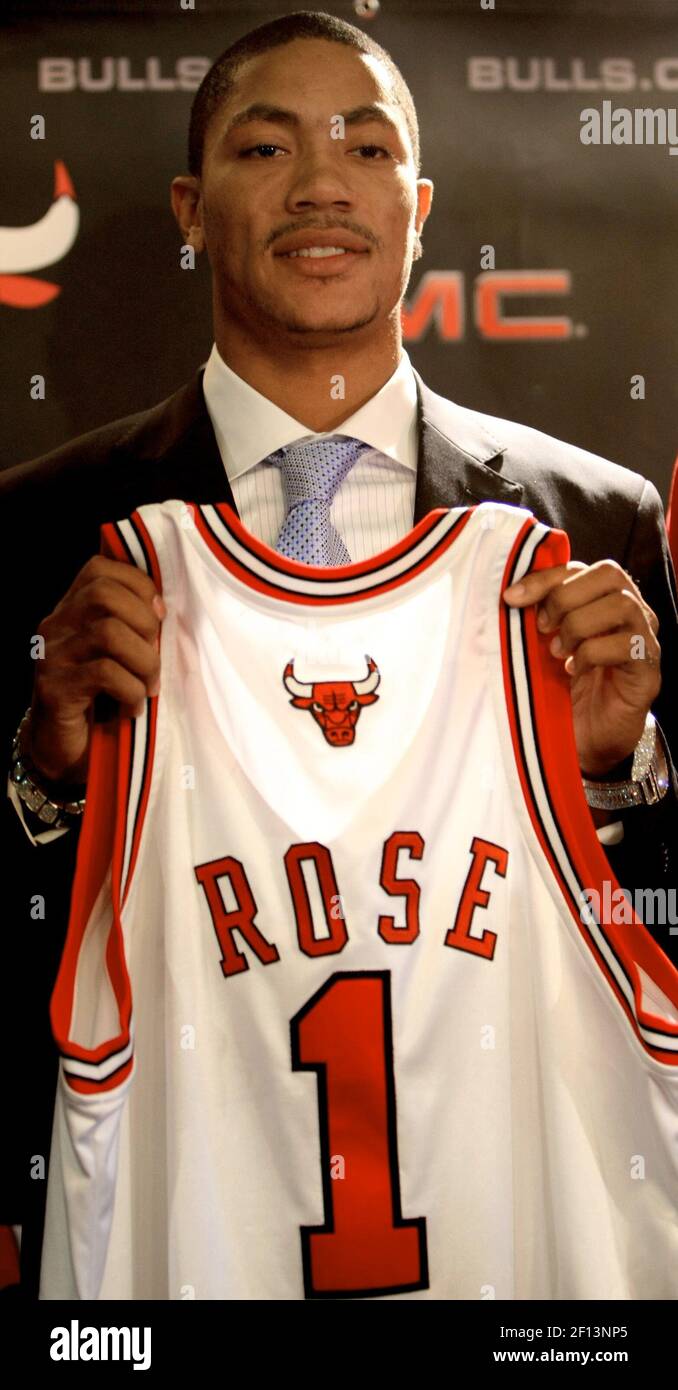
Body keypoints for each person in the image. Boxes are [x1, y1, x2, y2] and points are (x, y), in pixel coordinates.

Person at [2, 9, 677, 1299]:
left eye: (365, 150)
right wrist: (43, 774)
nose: (322, 183)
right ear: (192, 209)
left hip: (513, 1266)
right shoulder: (39, 536)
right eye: (268, 148)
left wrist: (622, 771)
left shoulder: (593, 529)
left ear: (419, 209)